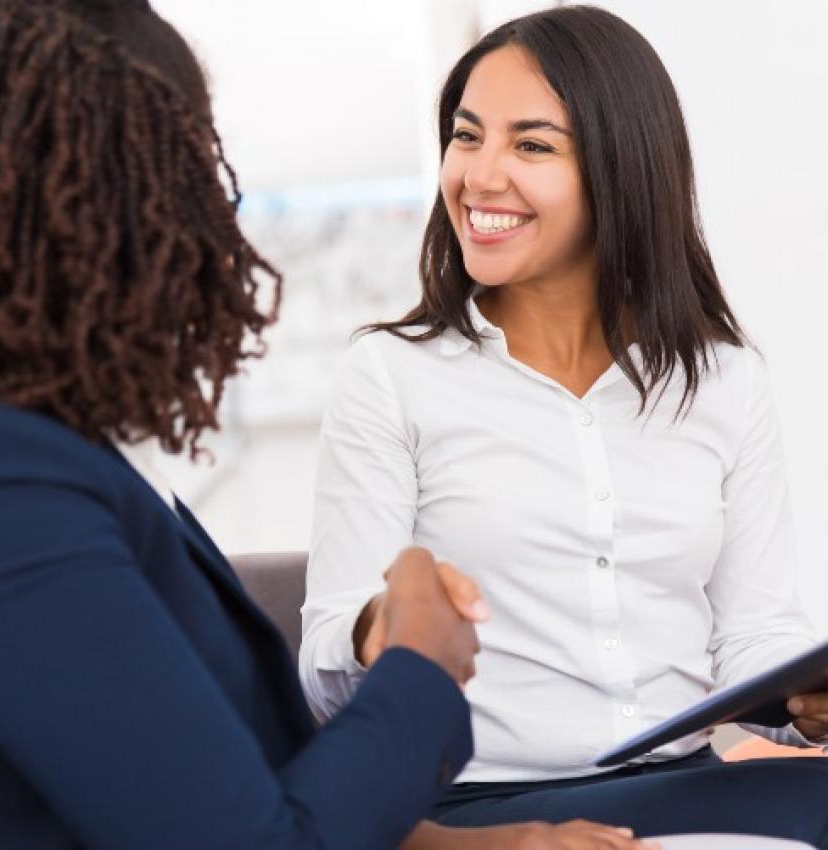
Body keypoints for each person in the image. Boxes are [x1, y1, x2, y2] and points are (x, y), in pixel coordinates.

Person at [0, 2, 654, 849]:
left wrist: (483, 846)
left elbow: (208, 794)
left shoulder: (57, 457)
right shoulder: (8, 488)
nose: (209, 223)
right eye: (184, 170)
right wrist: (420, 660)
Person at [300, 5, 828, 846]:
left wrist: (808, 705)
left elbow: (756, 630)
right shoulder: (391, 376)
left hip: (685, 784)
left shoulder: (725, 378)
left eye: (531, 145)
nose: (479, 175)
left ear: (623, 172)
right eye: (467, 136)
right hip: (482, 810)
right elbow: (325, 673)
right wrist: (379, 632)